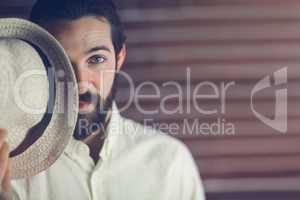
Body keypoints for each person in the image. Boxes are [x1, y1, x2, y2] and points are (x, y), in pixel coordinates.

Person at [0, 0, 205, 199]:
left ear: (120, 57)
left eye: (96, 59)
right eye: (60, 62)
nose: (80, 82)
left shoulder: (171, 163)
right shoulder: (9, 172)